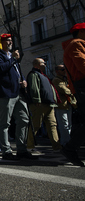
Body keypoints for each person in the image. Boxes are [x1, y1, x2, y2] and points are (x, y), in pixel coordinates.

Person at [0, 33, 37, 160]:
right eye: (7, 41)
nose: (10, 42)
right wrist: (13, 59)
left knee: (24, 119)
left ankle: (21, 149)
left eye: (11, 40)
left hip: (18, 93)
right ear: (1, 43)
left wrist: (23, 81)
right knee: (4, 123)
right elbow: (0, 68)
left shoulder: (12, 57)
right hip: (5, 94)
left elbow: (16, 73)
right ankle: (7, 151)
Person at [61, 23, 85, 167]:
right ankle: (70, 148)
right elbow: (82, 65)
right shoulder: (76, 44)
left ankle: (70, 148)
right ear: (81, 31)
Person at [26, 58, 62, 153]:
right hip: (39, 104)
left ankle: (57, 146)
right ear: (37, 64)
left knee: (52, 125)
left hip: (49, 104)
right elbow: (34, 88)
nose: (45, 64)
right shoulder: (33, 74)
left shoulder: (43, 76)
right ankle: (30, 146)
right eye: (43, 63)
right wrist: (36, 100)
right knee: (36, 125)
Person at [52, 64, 76, 146]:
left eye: (64, 69)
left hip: (68, 104)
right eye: (62, 69)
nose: (64, 71)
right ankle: (65, 142)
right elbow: (64, 90)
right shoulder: (56, 80)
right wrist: (72, 91)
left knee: (69, 124)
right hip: (61, 105)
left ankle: (68, 141)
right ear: (57, 71)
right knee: (64, 124)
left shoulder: (65, 79)